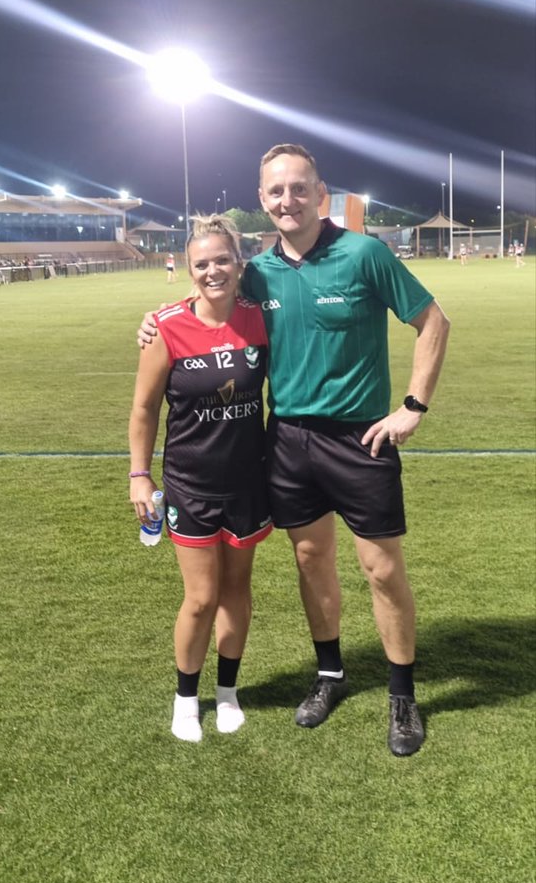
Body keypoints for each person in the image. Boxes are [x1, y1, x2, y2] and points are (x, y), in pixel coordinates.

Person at [138, 146, 450, 756]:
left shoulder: (366, 254)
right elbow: (207, 298)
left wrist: (412, 407)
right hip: (286, 438)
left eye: (299, 188)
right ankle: (329, 676)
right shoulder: (257, 272)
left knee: (382, 570)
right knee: (311, 561)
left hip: (361, 437)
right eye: (276, 191)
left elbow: (433, 322)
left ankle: (402, 695)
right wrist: (152, 321)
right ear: (263, 200)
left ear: (320, 193)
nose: (288, 200)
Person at [129, 215, 272, 743]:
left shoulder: (260, 320)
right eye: (202, 263)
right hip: (190, 484)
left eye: (222, 260)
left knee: (237, 592)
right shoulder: (166, 326)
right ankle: (186, 699)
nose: (213, 271)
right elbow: (144, 409)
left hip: (249, 483)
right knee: (201, 597)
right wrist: (139, 475)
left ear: (238, 262)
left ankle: (229, 693)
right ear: (190, 269)